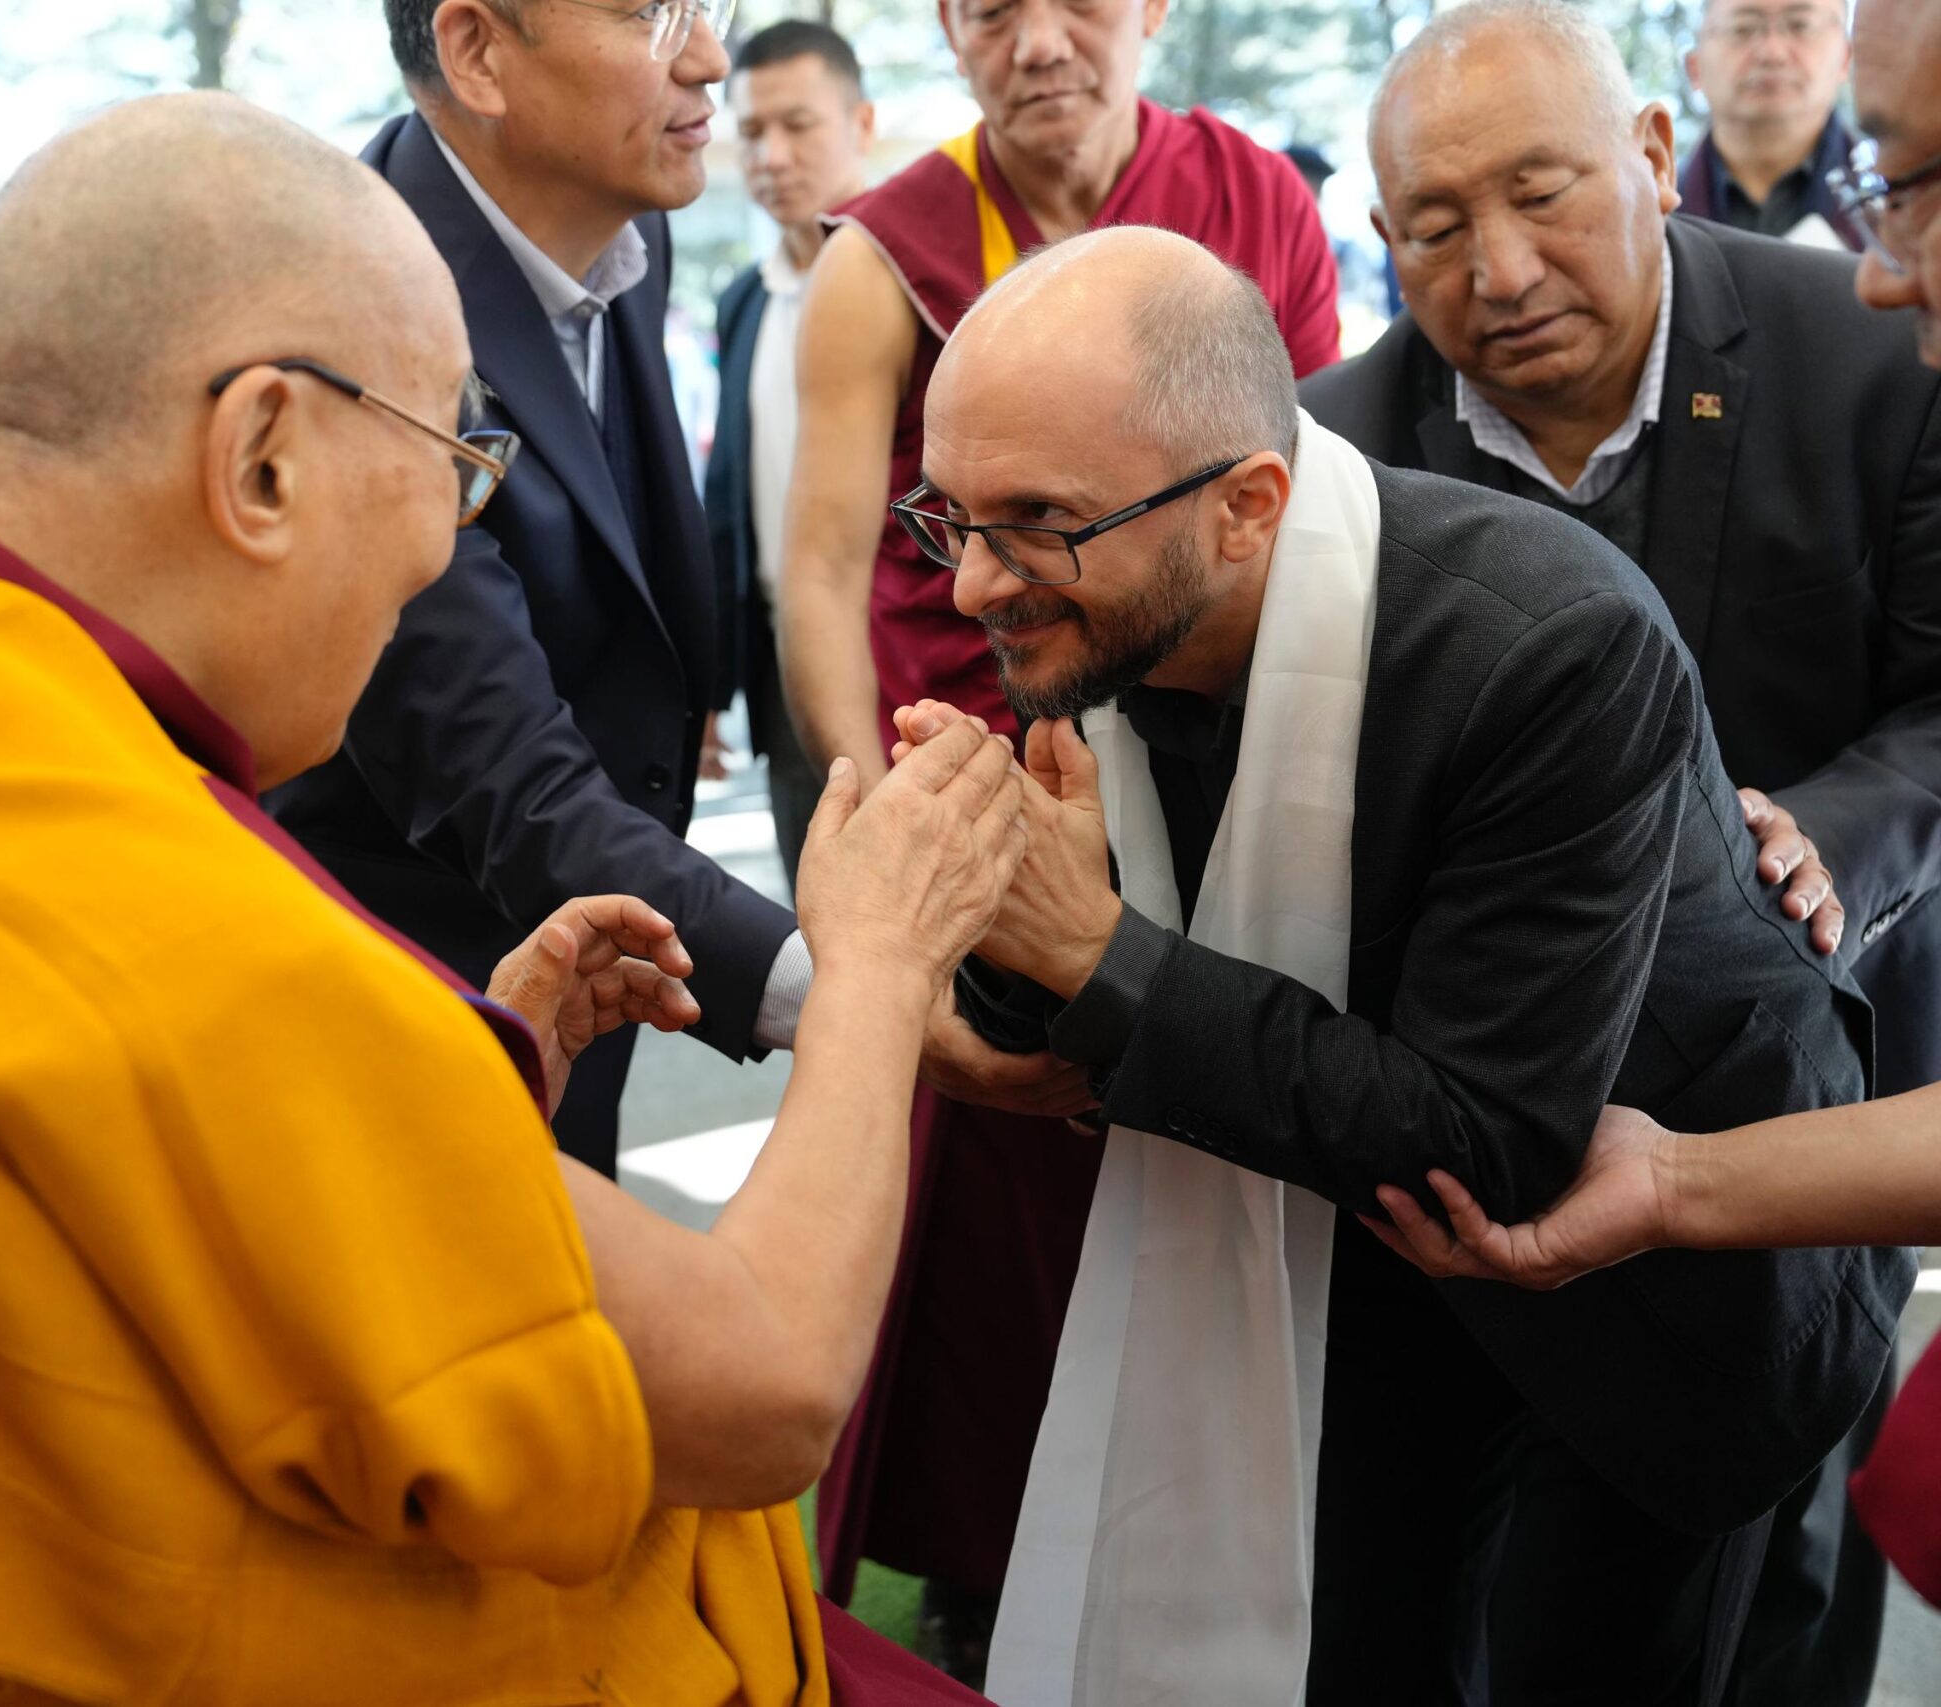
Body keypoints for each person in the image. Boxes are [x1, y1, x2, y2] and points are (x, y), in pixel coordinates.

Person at [0, 92, 1025, 1707]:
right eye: (457, 460)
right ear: (261, 452)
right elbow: (766, 1383)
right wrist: (881, 963)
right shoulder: (182, 949)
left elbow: (129, 1218)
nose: (442, 547)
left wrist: (462, 1073)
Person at [892, 224, 1907, 1707]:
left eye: (1032, 522)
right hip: (1344, 1261)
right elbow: (1071, 991)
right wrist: (983, 908)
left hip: (1648, 1293)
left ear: (1248, 509)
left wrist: (1090, 946)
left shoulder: (1546, 642)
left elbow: (1488, 1137)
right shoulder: (1098, 605)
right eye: (948, 517)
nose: (977, 584)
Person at [1300, 11, 1941, 1685]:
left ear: (1653, 158)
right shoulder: (1331, 463)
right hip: (1474, 1157)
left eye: (1545, 197)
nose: (1500, 271)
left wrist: (1835, 838)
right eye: (1437, 230)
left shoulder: (1874, 354)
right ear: (1383, 244)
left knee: (1785, 1580)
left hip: (1806, 1103)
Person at [769, 0, 1340, 1651]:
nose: (1039, 39)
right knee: (1003, 1241)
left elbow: (1307, 506)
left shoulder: (1250, 201)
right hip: (983, 781)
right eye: (989, 5)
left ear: (1152, 10)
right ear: (949, 30)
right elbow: (819, 566)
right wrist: (877, 813)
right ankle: (978, 1619)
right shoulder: (885, 258)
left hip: (1218, 778)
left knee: (1236, 1156)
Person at [273, 0, 813, 1176]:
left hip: (596, 953)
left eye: (708, 10)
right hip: (420, 988)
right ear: (475, 51)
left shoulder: (628, 231)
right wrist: (826, 996)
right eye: (653, 14)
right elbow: (491, 769)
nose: (711, 59)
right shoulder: (356, 312)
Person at [705, 19, 876, 883]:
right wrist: (710, 687)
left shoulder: (912, 283)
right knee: (818, 913)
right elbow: (725, 496)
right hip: (779, 672)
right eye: (751, 133)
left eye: (797, 126)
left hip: (901, 654)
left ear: (863, 124)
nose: (770, 155)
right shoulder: (743, 299)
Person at [1676, 0, 1860, 248]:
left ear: (1845, 58)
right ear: (1694, 67)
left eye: (1800, 25)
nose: (1772, 53)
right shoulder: (1654, 211)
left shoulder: (1902, 203)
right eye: (1742, 28)